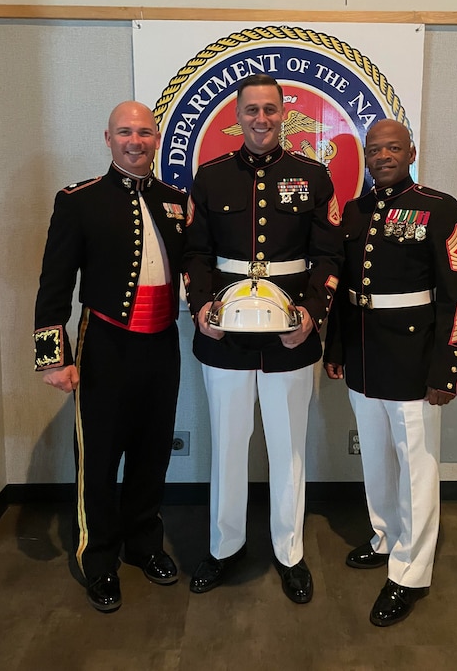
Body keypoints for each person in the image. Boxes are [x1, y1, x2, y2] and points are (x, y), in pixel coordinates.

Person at [184, 74, 342, 604]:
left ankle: (290, 552)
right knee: (227, 446)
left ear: (283, 113)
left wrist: (313, 315)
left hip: (290, 334)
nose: (261, 119)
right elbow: (195, 254)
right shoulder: (210, 178)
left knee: (287, 447)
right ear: (236, 115)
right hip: (224, 332)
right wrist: (200, 306)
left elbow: (328, 256)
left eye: (270, 110)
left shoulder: (313, 176)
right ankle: (223, 548)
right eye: (251, 110)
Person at [33, 101, 187, 613]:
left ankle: (143, 543)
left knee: (153, 449)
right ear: (108, 137)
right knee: (98, 456)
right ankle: (98, 558)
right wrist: (52, 357)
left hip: (162, 341)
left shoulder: (175, 200)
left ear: (158, 137)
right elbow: (54, 283)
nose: (135, 141)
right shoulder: (79, 200)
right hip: (104, 343)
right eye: (125, 132)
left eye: (144, 132)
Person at [324, 118, 457, 626]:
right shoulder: (356, 210)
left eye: (392, 147)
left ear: (412, 150)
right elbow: (347, 292)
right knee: (377, 459)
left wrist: (447, 370)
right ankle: (386, 536)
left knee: (416, 466)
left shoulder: (439, 208)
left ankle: (410, 571)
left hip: (414, 361)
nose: (383, 156)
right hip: (365, 357)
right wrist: (338, 349)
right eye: (374, 149)